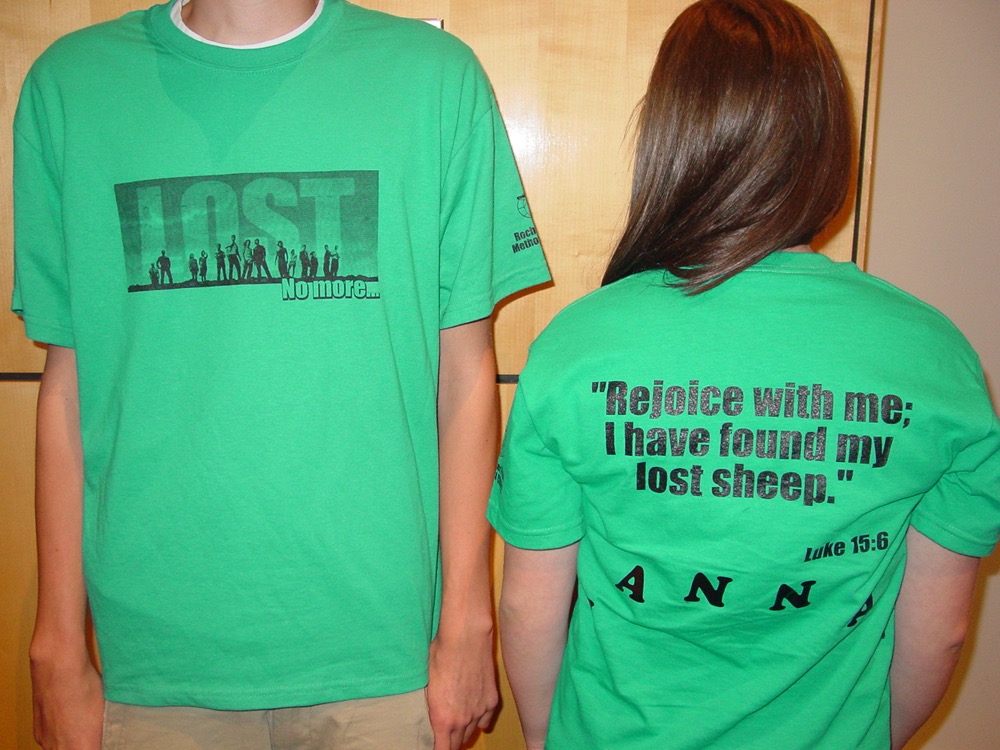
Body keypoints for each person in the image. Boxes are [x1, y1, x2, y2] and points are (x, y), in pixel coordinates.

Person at [12, 0, 549, 748]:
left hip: (383, 660)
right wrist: (56, 646)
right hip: (156, 665)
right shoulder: (72, 86)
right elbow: (69, 382)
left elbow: (464, 373)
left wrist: (468, 624)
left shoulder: (433, 78)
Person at [488, 2, 1000, 749]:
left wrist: (544, 738)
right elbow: (942, 633)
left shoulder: (577, 347)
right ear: (826, 143)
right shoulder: (938, 358)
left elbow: (528, 608)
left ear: (671, 137)